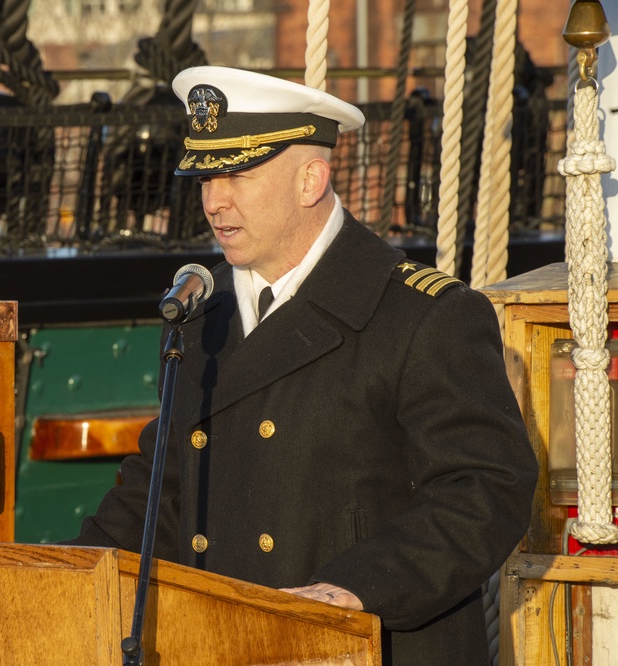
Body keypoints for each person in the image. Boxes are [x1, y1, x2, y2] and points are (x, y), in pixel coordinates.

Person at [64, 66, 539, 665]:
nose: (214, 200)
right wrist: (55, 576)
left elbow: (486, 488)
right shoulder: (200, 319)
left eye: (237, 173)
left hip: (368, 647)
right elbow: (162, 493)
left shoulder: (422, 315)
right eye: (206, 175)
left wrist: (359, 587)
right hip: (224, 645)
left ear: (311, 179)